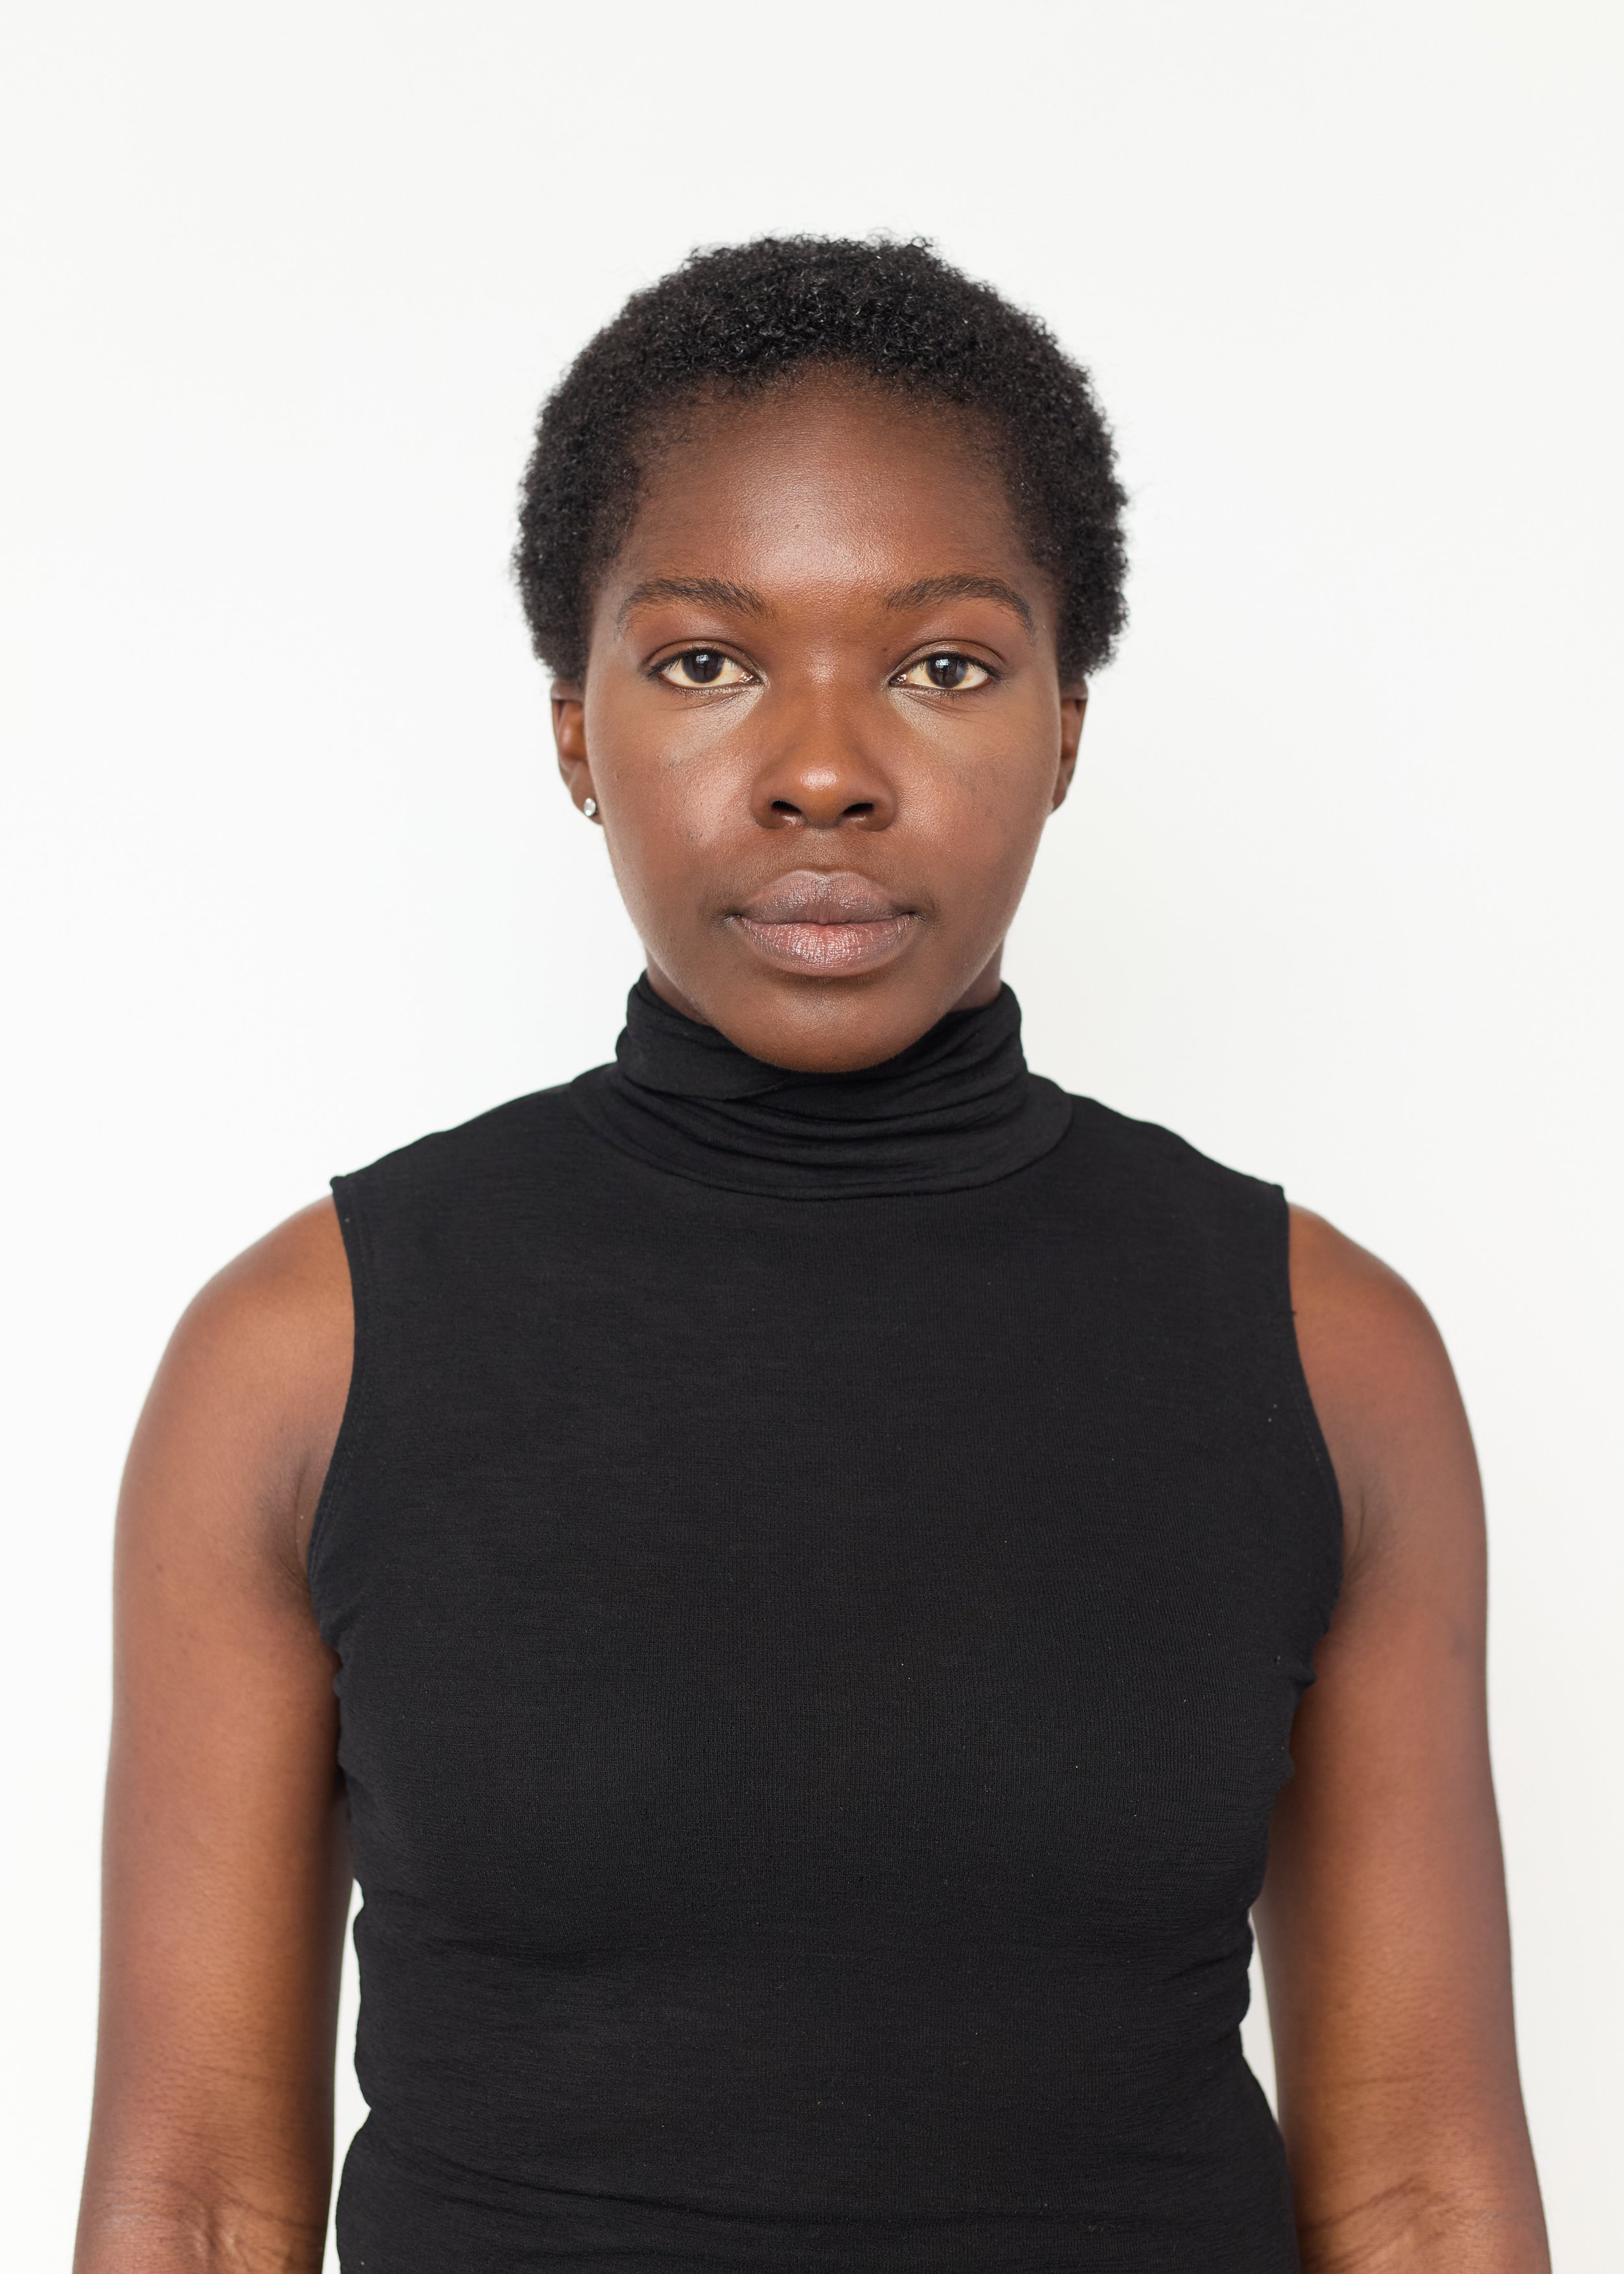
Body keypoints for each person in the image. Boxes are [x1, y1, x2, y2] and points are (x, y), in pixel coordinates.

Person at [74, 236, 1549, 2274]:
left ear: (1063, 726)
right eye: (704, 660)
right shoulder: (301, 1355)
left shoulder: (1326, 1351)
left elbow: (1417, 2196)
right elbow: (198, 2206)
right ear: (575, 727)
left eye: (942, 662)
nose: (825, 767)